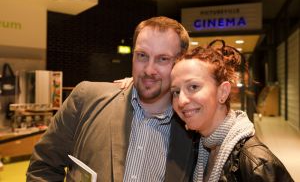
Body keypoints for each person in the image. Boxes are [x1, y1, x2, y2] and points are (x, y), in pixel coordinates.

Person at [26, 16, 196, 182]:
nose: (149, 70)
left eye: (163, 59)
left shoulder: (193, 130)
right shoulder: (86, 99)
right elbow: (43, 167)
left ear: (180, 63)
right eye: (142, 55)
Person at [170, 39, 294, 182]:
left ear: (223, 92)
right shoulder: (198, 148)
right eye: (176, 92)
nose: (181, 101)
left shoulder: (257, 164)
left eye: (193, 87)